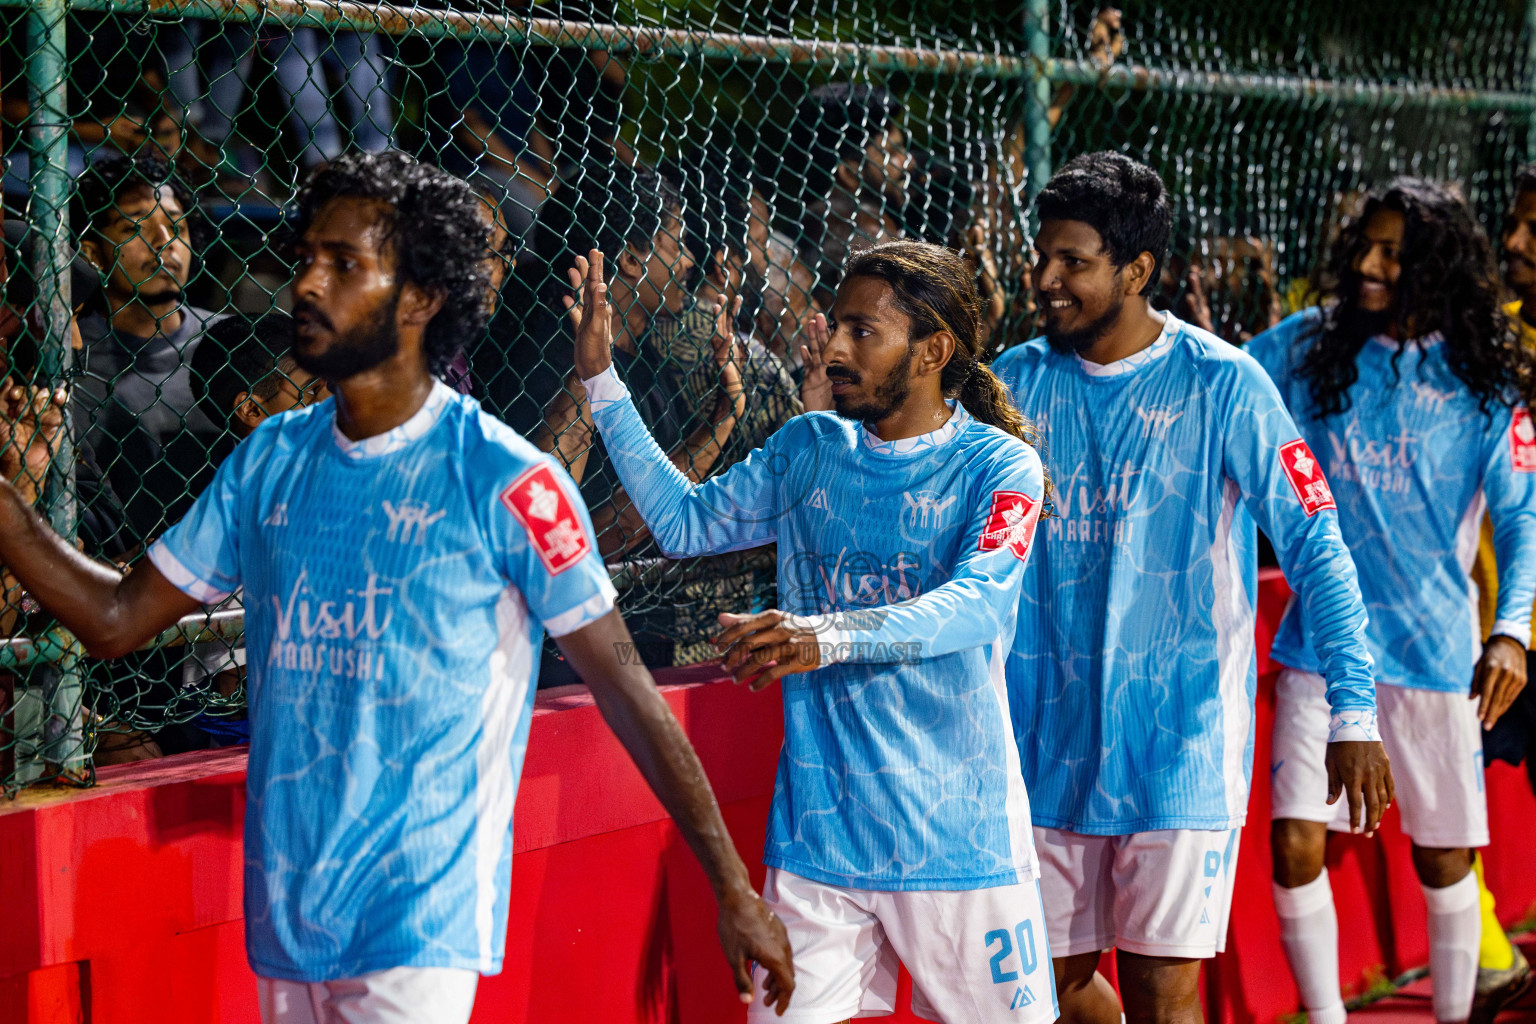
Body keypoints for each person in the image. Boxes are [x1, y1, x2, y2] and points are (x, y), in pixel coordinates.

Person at [0, 150, 795, 1022]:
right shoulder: (270, 459)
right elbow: (116, 618)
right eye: (306, 257)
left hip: (418, 924)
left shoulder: (506, 481)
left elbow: (630, 695)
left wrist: (734, 888)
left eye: (344, 265)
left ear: (420, 299)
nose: (306, 283)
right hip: (289, 919)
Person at [575, 237, 1056, 1024]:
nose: (831, 346)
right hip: (819, 842)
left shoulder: (998, 466)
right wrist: (602, 383)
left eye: (861, 331)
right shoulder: (809, 448)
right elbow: (684, 523)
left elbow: (979, 606)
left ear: (932, 349)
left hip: (959, 841)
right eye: (835, 324)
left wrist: (821, 635)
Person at [991, 152, 1391, 1024]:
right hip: (1043, 744)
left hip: (1182, 747)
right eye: (1043, 255)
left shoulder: (1226, 383)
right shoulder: (1012, 383)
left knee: (1163, 993)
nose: (1046, 279)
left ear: (1136, 271)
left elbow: (1318, 546)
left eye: (1073, 263)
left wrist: (1354, 714)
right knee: (1040, 996)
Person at [1249, 178, 1536, 1024]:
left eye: (1392, 254)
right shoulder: (1311, 348)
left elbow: (1522, 520)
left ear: (1437, 268)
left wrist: (1511, 635)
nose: (1369, 266)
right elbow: (1218, 381)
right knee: (1295, 844)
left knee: (1444, 859)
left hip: (1438, 656)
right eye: (1363, 247)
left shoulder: (1485, 381)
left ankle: (1456, 1016)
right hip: (1322, 652)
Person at [71, 154, 223, 550]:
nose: (164, 241)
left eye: (177, 226)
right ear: (92, 252)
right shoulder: (68, 361)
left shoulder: (235, 342)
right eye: (136, 227)